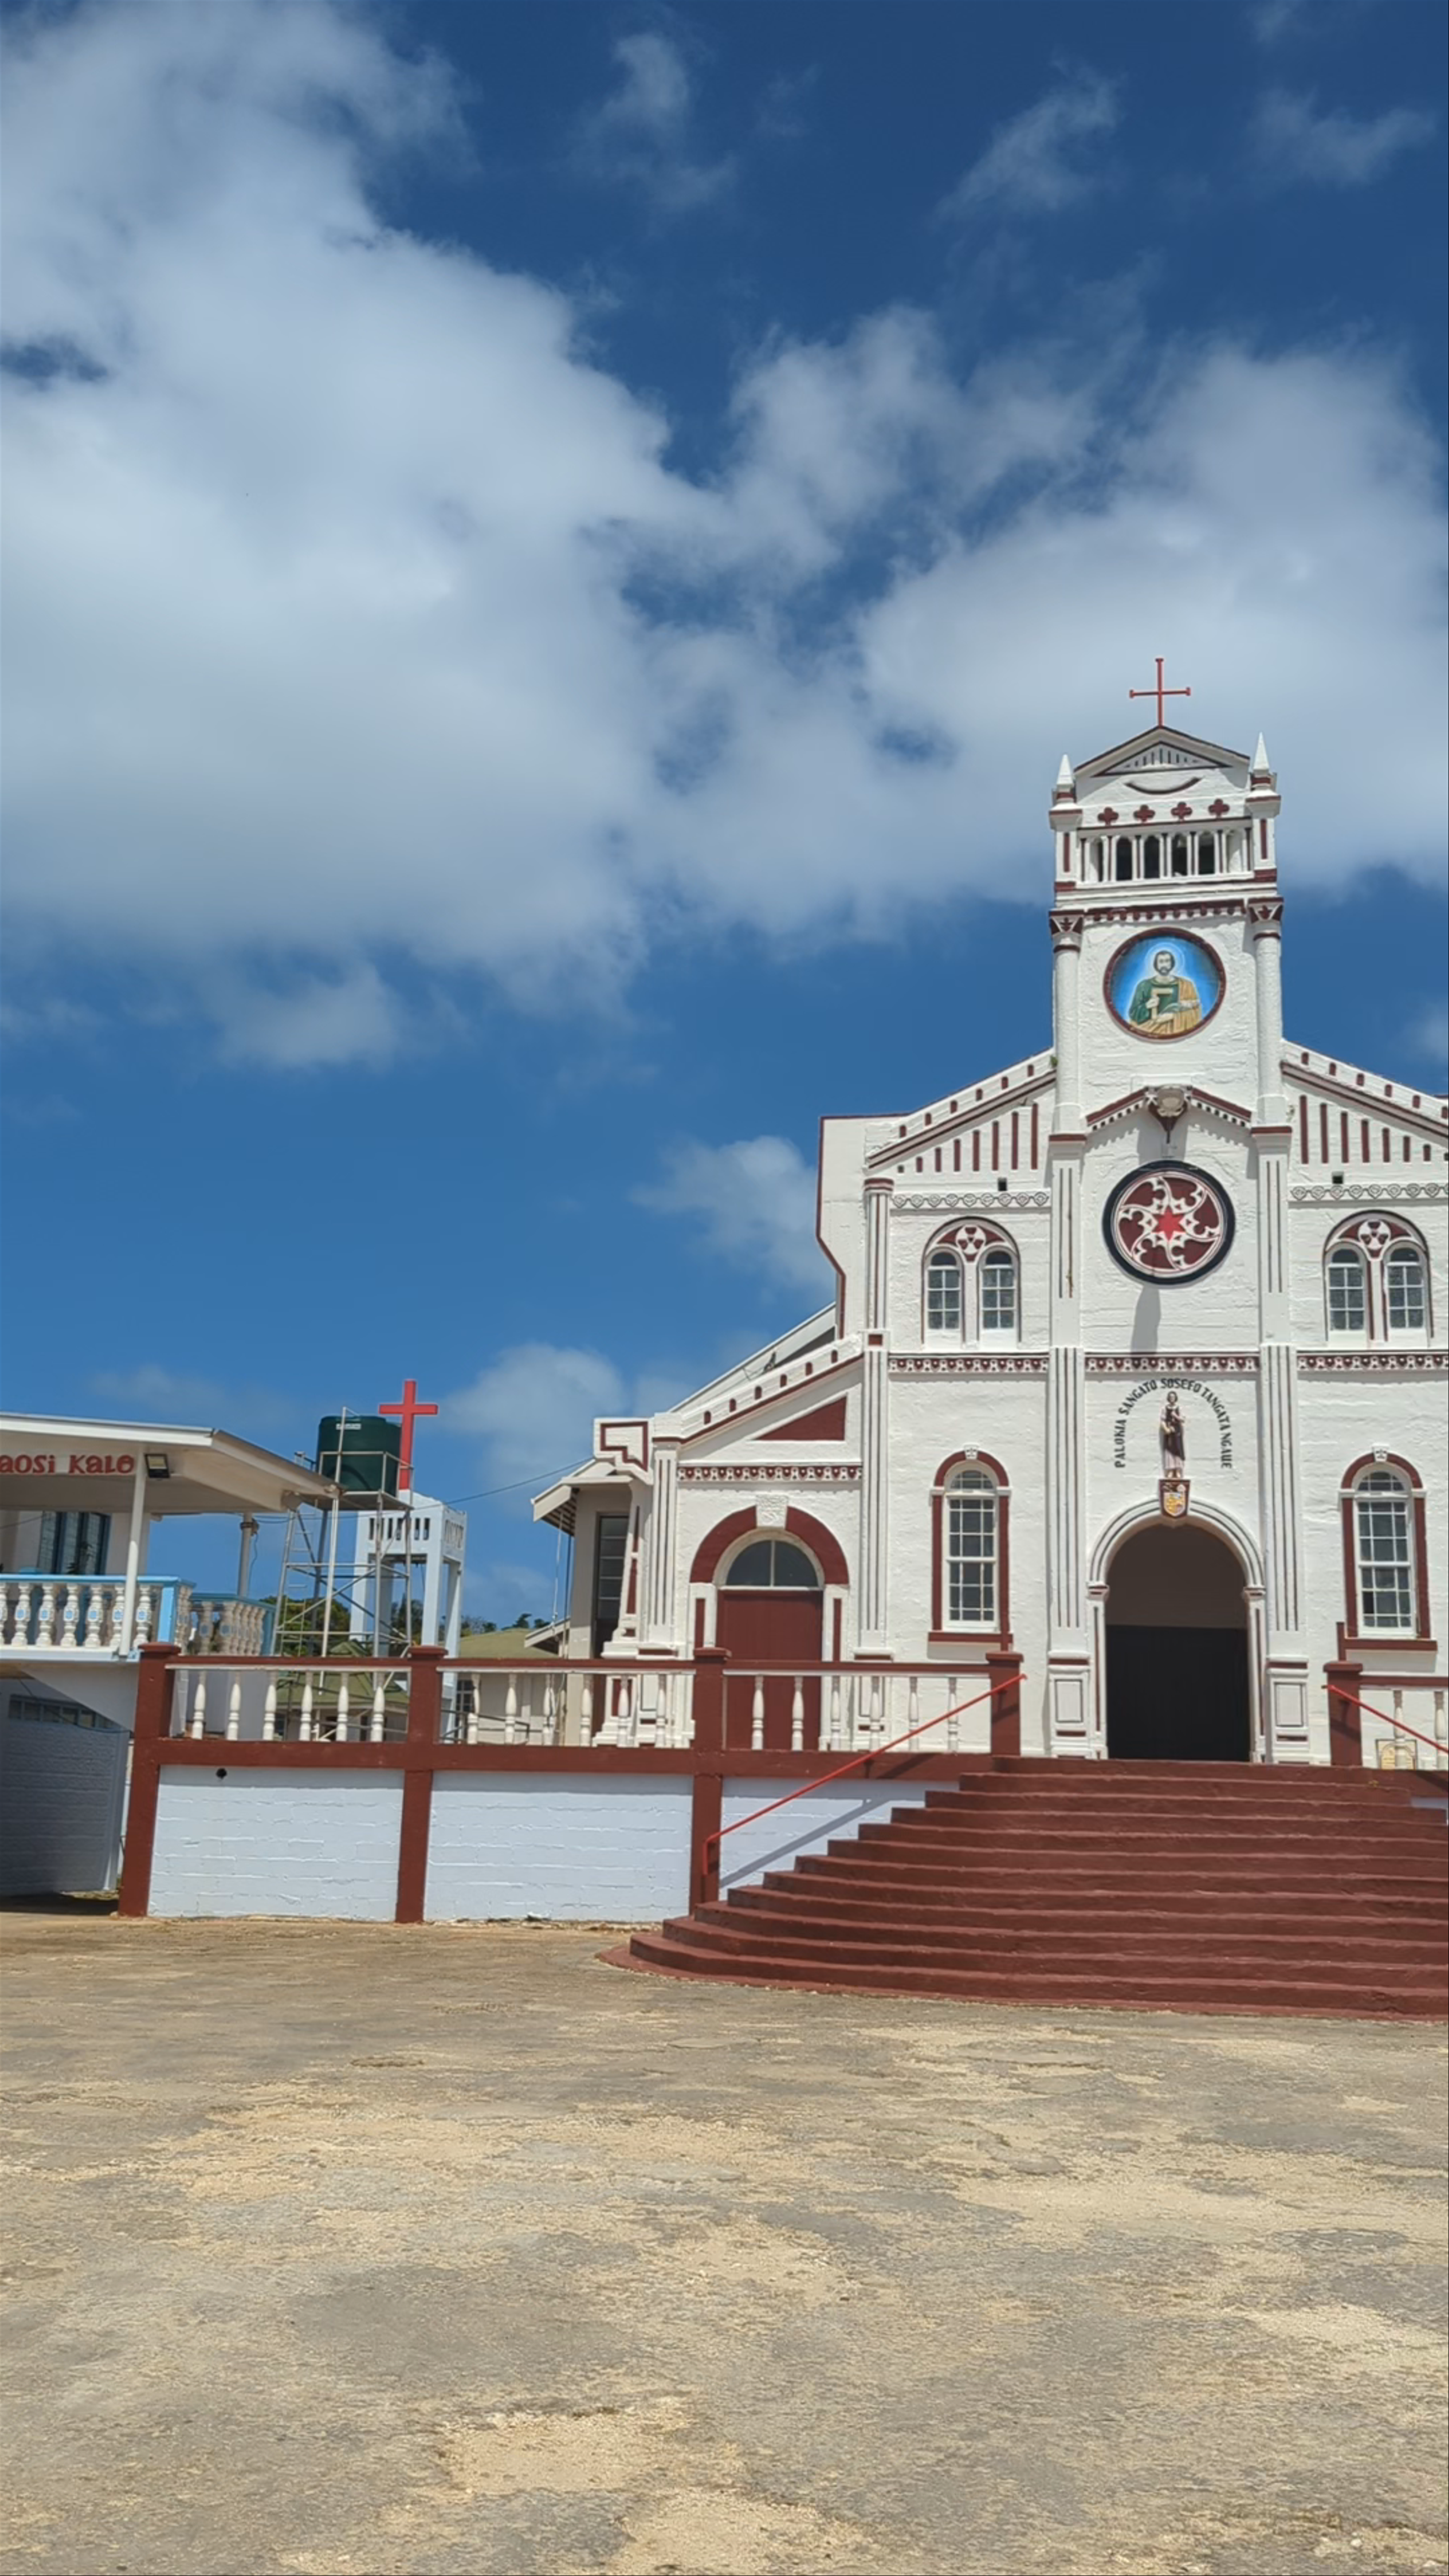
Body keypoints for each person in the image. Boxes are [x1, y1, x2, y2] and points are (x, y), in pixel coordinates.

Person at [1128, 947, 1202, 1038]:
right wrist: (1147, 1006)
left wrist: (1173, 1017)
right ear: (1156, 964)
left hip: (1177, 1032)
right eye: (1161, 962)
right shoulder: (1144, 986)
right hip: (1149, 1030)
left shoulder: (1186, 985)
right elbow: (1133, 1014)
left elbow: (1195, 1011)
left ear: (1172, 964)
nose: (1165, 965)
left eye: (1167, 961)